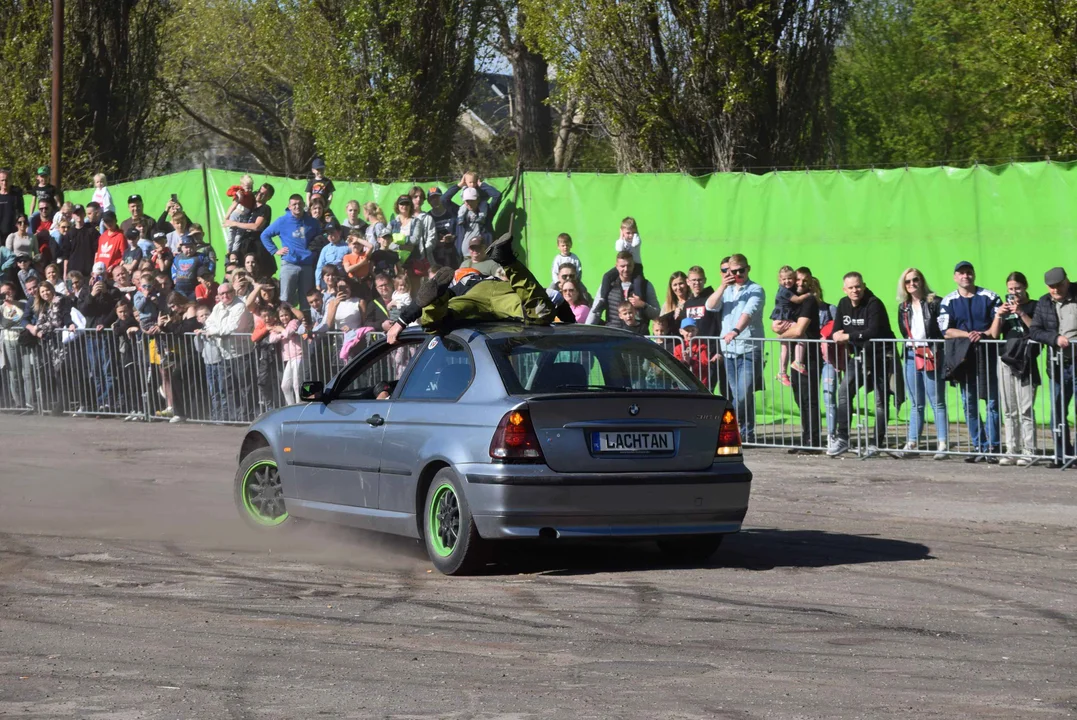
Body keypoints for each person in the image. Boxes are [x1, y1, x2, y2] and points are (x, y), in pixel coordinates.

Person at [386, 233, 554, 344]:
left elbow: (419, 303)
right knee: (537, 312)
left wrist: (401, 322)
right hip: (501, 288)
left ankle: (437, 299)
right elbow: (530, 289)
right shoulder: (490, 277)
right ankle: (509, 262)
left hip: (469, 295)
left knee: (436, 321)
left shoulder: (458, 285)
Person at [939, 261, 1003, 463]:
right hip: (963, 359)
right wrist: (968, 335)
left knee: (992, 401)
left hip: (988, 356)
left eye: (969, 272)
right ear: (955, 277)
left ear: (974, 275)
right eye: (961, 273)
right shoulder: (948, 301)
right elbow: (945, 331)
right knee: (969, 404)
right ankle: (978, 445)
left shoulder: (990, 297)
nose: (965, 276)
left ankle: (993, 446)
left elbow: (995, 329)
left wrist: (981, 334)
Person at [829, 272, 895, 458]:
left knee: (880, 400)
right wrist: (836, 335)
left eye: (858, 286)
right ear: (845, 289)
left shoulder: (874, 303)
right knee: (843, 391)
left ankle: (875, 443)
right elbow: (836, 331)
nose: (855, 290)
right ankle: (842, 438)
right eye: (850, 287)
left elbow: (872, 331)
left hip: (880, 355)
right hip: (857, 355)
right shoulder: (843, 303)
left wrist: (848, 336)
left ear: (863, 286)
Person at [705, 254, 765, 442]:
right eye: (733, 271)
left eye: (742, 270)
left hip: (749, 347)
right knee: (737, 394)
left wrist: (735, 330)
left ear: (748, 269)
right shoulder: (727, 290)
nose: (738, 274)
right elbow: (710, 305)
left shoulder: (756, 289)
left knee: (742, 394)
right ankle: (746, 433)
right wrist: (723, 285)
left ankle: (735, 430)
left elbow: (749, 312)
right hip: (729, 350)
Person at [896, 267, 948, 460]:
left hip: (932, 353)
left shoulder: (935, 302)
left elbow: (941, 328)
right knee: (916, 402)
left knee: (937, 400)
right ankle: (912, 442)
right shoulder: (904, 307)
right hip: (911, 354)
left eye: (915, 280)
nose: (912, 284)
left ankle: (943, 443)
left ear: (921, 281)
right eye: (907, 281)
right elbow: (904, 331)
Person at [1029, 267, 1077, 466]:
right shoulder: (1044, 302)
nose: (1055, 290)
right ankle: (1061, 455)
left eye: (1058, 286)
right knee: (1057, 412)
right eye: (1051, 287)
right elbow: (1035, 330)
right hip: (1057, 363)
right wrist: (1055, 338)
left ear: (1066, 281)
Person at [994, 272, 1039, 466]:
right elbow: (994, 334)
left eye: (1018, 288)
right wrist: (998, 315)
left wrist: (1020, 312)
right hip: (1005, 359)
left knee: (1026, 408)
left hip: (1026, 360)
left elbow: (1036, 330)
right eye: (1011, 289)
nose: (1014, 293)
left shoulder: (1035, 306)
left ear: (1026, 286)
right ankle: (1012, 448)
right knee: (1009, 409)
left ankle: (1029, 449)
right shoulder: (1003, 309)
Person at [777, 271, 824, 454]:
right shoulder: (790, 299)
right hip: (797, 357)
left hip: (809, 357)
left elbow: (798, 330)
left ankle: (813, 441)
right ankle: (806, 438)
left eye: (805, 280)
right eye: (798, 279)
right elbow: (778, 323)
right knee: (800, 399)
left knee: (809, 399)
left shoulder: (809, 301)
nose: (801, 283)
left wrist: (781, 335)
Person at [199, 282, 255, 422]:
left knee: (245, 387)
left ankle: (246, 416)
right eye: (222, 294)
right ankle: (233, 417)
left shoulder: (240, 306)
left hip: (242, 352)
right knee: (229, 387)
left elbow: (232, 328)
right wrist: (215, 330)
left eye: (228, 292)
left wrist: (214, 331)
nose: (225, 296)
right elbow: (209, 323)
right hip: (225, 353)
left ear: (233, 292)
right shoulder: (217, 307)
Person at [260, 194, 321, 312]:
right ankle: (285, 326)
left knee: (307, 299)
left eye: (299, 204)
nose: (297, 206)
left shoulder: (312, 222)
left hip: (307, 265)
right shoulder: (282, 221)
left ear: (304, 205)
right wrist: (275, 250)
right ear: (289, 206)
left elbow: (319, 238)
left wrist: (313, 252)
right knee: (286, 298)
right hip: (289, 264)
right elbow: (265, 235)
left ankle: (306, 326)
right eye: (294, 204)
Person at [587, 252, 660, 331]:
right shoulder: (607, 285)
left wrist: (643, 305)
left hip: (638, 336)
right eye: (622, 266)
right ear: (616, 266)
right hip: (614, 335)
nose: (626, 269)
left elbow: (656, 314)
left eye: (629, 266)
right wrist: (585, 331)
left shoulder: (645, 285)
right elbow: (596, 311)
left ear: (634, 265)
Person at [771, 265, 810, 386]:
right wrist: (809, 295)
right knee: (801, 335)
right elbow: (797, 300)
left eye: (790, 278)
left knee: (785, 347)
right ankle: (798, 361)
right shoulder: (785, 291)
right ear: (779, 280)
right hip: (783, 319)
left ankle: (782, 372)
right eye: (784, 279)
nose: (787, 281)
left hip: (782, 319)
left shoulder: (787, 289)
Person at [0, 280, 33, 410]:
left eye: (9, 290)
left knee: (27, 373)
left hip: (23, 341)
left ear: (13, 291)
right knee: (13, 373)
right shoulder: (1, 308)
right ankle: (18, 403)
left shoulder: (23, 304)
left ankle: (29, 403)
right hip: (9, 342)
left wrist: (14, 311)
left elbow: (23, 319)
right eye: (3, 292)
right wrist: (17, 321)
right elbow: (5, 323)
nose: (7, 293)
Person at [269, 303, 305, 405]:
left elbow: (289, 332)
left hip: (298, 355)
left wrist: (281, 331)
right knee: (284, 385)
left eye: (286, 315)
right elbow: (272, 339)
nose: (284, 318)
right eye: (281, 315)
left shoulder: (294, 322)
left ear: (290, 314)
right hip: (288, 358)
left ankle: (299, 405)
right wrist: (282, 333)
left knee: (297, 384)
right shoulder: (279, 326)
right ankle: (291, 406)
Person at [62, 203, 100, 278]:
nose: (78, 215)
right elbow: (66, 255)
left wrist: (95, 270)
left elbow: (97, 252)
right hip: (73, 273)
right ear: (72, 215)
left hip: (88, 272)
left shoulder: (92, 231)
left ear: (84, 214)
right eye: (76, 213)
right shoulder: (69, 233)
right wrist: (65, 273)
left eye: (81, 213)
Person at [224, 175, 257, 255]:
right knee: (232, 233)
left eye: (251, 187)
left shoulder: (252, 196)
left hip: (245, 217)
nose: (249, 190)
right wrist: (236, 193)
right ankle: (229, 250)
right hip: (236, 214)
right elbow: (228, 192)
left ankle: (234, 251)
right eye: (247, 187)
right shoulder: (240, 191)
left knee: (239, 236)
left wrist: (249, 219)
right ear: (242, 186)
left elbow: (252, 207)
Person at [674, 318, 710, 385]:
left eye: (693, 330)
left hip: (699, 383)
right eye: (687, 330)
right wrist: (683, 360)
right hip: (683, 382)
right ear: (681, 331)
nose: (690, 333)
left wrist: (691, 361)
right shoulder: (678, 348)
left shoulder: (702, 346)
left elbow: (704, 365)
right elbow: (676, 366)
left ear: (697, 331)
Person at [315, 224, 349, 289]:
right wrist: (318, 284)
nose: (330, 236)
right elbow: (319, 267)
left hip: (342, 279)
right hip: (327, 280)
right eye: (327, 234)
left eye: (332, 233)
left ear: (339, 232)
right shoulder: (325, 249)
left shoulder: (347, 247)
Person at [0, 169, 24, 240]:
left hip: (13, 234)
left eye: (6, 180)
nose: (4, 183)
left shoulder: (16, 196)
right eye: (2, 180)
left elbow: (21, 213)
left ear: (10, 181)